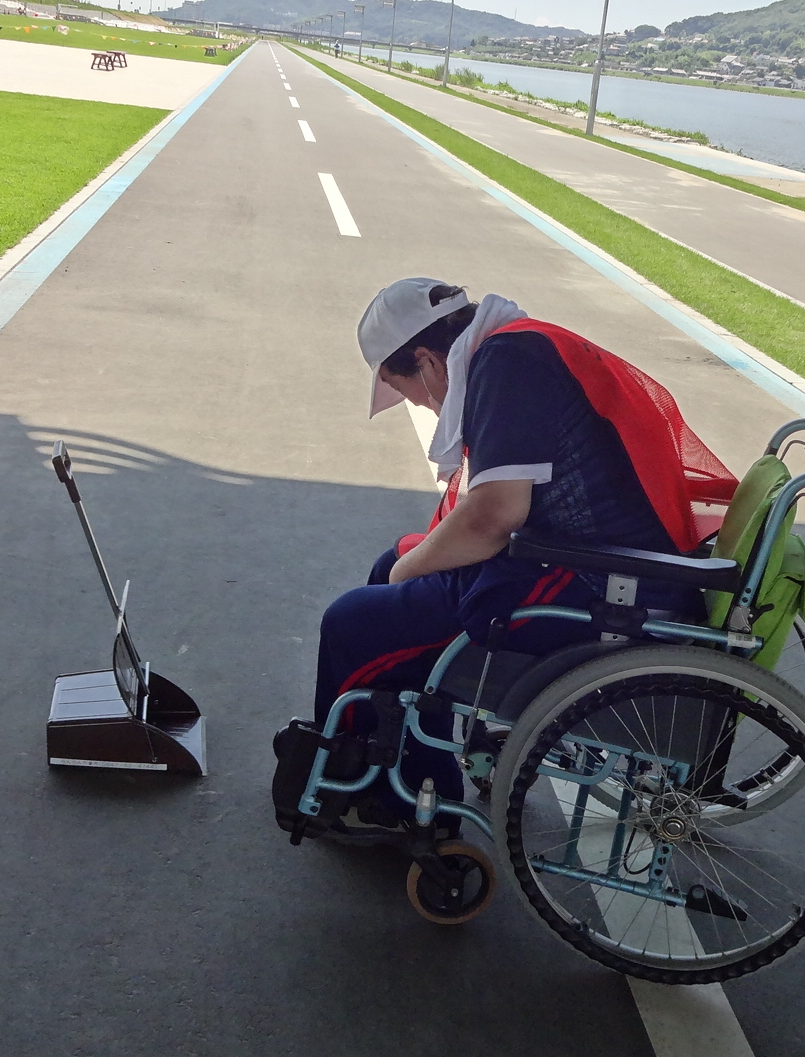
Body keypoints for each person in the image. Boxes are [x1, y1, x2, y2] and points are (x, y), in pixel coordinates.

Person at [301, 277, 734, 843]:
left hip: (599, 585)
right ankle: (403, 773)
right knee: (390, 569)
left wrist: (413, 571)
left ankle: (384, 802)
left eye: (416, 393)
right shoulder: (511, 346)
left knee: (352, 621)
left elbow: (494, 514)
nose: (427, 405)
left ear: (428, 361)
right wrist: (406, 568)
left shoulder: (505, 366)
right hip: (600, 565)